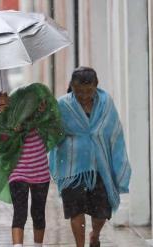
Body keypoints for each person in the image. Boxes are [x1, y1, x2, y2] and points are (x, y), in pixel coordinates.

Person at [49, 66, 132, 247]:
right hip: (71, 167)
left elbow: (115, 133)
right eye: (79, 91)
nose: (84, 96)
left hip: (100, 164)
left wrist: (118, 166)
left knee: (101, 211)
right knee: (75, 209)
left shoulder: (106, 102)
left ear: (96, 85)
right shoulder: (63, 105)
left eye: (88, 91)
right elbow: (52, 134)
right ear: (72, 86)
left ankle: (95, 234)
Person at [0, 83, 64, 247]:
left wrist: (43, 109)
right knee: (20, 213)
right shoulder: (11, 121)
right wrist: (4, 110)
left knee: (38, 213)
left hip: (41, 174)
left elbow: (54, 121)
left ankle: (37, 245)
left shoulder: (43, 122)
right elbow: (0, 139)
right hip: (18, 173)